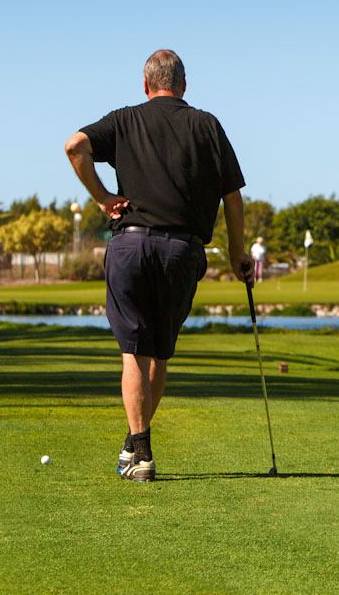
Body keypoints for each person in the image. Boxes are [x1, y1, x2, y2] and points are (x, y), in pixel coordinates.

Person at [64, 49, 248, 482]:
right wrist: (238, 254)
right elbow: (232, 196)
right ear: (183, 85)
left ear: (146, 86)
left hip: (130, 247)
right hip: (182, 252)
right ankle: (136, 444)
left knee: (134, 351)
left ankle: (140, 450)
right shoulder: (207, 125)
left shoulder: (126, 119)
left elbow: (74, 146)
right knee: (158, 355)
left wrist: (102, 197)